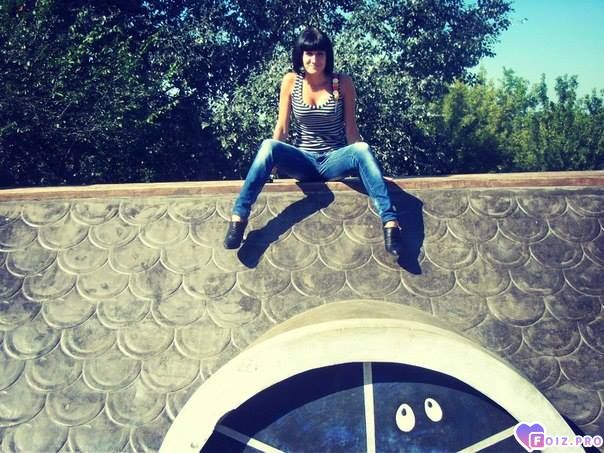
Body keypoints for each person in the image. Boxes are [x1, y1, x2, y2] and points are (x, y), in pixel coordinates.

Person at [224, 27, 403, 256]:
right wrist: (271, 167)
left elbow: (351, 131)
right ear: (300, 55)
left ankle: (391, 223)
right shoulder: (291, 81)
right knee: (268, 145)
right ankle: (239, 218)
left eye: (320, 54)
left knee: (362, 149)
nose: (314, 59)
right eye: (309, 53)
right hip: (304, 162)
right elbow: (282, 127)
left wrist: (373, 171)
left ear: (327, 56)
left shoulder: (342, 83)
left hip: (333, 161)